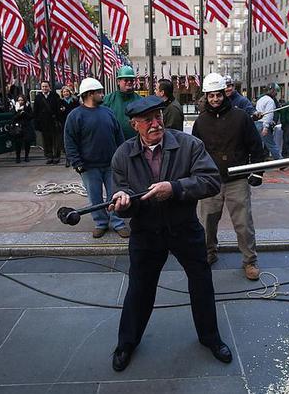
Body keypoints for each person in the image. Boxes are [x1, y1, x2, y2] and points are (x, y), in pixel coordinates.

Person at [107, 95, 232, 372]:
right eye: (147, 120)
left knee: (201, 283)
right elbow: (120, 195)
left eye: (158, 116)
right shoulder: (122, 155)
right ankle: (126, 343)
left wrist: (174, 188)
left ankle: (210, 338)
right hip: (146, 232)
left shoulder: (188, 145)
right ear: (134, 124)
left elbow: (211, 181)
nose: (155, 123)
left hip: (184, 228)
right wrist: (123, 203)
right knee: (139, 288)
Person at [192, 73, 265, 280]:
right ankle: (209, 252)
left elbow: (256, 146)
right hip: (211, 181)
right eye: (211, 96)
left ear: (225, 94)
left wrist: (257, 172)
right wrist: (196, 177)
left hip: (237, 180)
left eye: (218, 95)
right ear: (206, 96)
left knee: (243, 224)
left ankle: (249, 260)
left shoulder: (240, 117)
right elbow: (196, 152)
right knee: (207, 222)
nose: (215, 99)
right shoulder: (201, 122)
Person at [65, 78, 129, 239]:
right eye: (99, 92)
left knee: (115, 195)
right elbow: (69, 141)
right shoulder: (75, 116)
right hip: (88, 166)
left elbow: (118, 135)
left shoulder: (107, 112)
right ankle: (101, 223)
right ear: (89, 94)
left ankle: (117, 223)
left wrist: (122, 157)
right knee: (95, 197)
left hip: (111, 164)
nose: (103, 94)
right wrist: (77, 163)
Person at [103, 65, 141, 140]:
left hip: (136, 144)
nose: (129, 82)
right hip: (114, 143)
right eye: (126, 80)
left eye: (132, 80)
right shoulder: (108, 100)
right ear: (118, 81)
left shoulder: (141, 100)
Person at [33, 81, 62, 164]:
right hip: (43, 123)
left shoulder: (55, 96)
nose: (44, 88)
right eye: (43, 86)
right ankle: (49, 156)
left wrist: (58, 120)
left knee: (56, 140)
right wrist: (37, 123)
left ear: (49, 87)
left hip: (53, 121)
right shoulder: (38, 97)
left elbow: (58, 108)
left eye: (46, 86)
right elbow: (35, 111)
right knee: (46, 141)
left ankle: (56, 156)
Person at [254, 83, 282, 160]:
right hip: (263, 125)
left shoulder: (261, 99)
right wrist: (266, 127)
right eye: (276, 91)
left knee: (259, 144)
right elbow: (269, 114)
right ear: (272, 90)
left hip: (257, 124)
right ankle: (280, 161)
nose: (276, 93)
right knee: (271, 144)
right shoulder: (270, 101)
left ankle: (258, 160)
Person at [58, 85, 80, 167]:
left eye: (67, 91)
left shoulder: (74, 101)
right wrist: (61, 111)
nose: (66, 93)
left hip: (74, 122)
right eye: (64, 92)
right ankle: (68, 159)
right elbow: (58, 114)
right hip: (64, 123)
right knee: (67, 141)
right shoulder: (60, 102)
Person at [10, 94, 34, 163]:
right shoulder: (15, 107)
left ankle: (27, 156)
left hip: (26, 127)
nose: (20, 101)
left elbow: (31, 116)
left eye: (22, 100)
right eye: (19, 100)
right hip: (18, 127)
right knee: (18, 143)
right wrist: (19, 114)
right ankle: (18, 157)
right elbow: (13, 118)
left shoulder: (27, 106)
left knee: (27, 142)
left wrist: (24, 113)